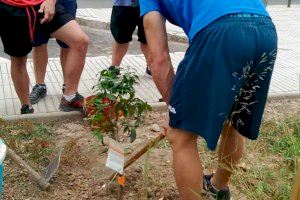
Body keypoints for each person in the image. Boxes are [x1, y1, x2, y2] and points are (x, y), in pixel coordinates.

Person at [140, 1, 278, 199]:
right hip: (265, 29)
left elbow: (158, 58)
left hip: (221, 32)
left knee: (180, 135)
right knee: (234, 120)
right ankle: (218, 188)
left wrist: (175, 111)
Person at [0, 0, 89, 114]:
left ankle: (70, 97)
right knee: (18, 59)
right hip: (11, 7)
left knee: (80, 41)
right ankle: (26, 107)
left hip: (42, 4)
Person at [29, 0, 78, 104]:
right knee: (38, 43)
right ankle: (40, 85)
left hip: (65, 2)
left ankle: (68, 85)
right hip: (37, 2)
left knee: (67, 43)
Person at [109, 0, 151, 76]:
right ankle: (114, 68)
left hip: (150, 5)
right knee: (120, 37)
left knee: (148, 38)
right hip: (124, 4)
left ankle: (151, 67)